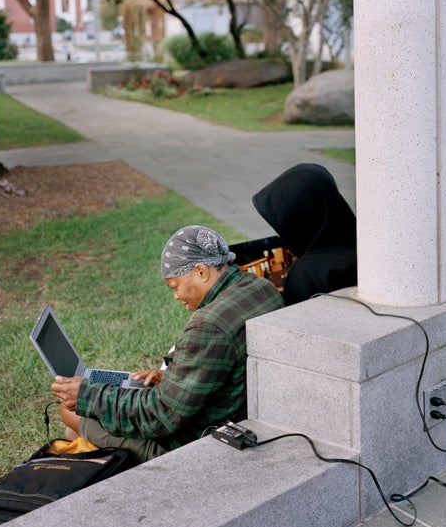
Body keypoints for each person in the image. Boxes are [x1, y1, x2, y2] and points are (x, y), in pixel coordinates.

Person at [50, 225, 283, 464]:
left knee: (69, 413)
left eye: (175, 286)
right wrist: (175, 377)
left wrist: (88, 394)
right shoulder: (260, 287)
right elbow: (226, 366)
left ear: (202, 272)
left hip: (194, 444)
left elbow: (160, 417)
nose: (176, 296)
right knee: (85, 423)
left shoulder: (207, 324)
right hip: (238, 414)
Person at [252, 163, 357, 306]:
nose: (278, 234)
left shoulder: (305, 275)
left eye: (283, 223)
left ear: (301, 218)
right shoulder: (365, 239)